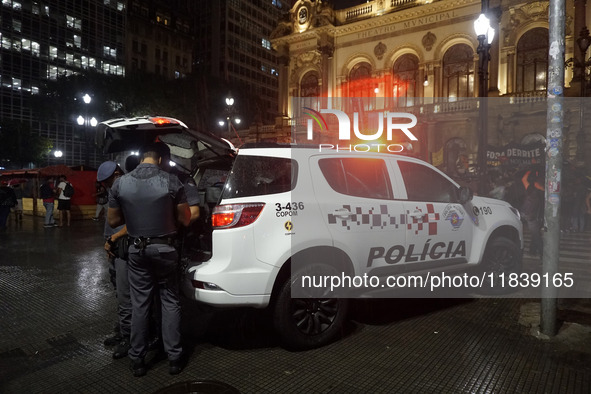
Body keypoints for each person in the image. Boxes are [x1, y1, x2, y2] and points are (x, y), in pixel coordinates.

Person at [108, 142, 190, 377]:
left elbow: (113, 221)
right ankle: (174, 358)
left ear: (142, 157)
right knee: (170, 301)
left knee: (140, 304)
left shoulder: (120, 183)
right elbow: (184, 219)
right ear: (162, 159)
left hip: (137, 251)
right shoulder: (172, 181)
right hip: (166, 250)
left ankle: (138, 360)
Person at [97, 161, 132, 360]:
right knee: (120, 294)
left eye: (107, 181)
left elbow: (134, 222)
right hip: (114, 250)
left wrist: (114, 239)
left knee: (126, 296)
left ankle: (129, 338)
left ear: (117, 174)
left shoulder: (126, 192)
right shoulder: (115, 191)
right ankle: (122, 331)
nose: (105, 186)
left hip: (124, 249)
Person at [521, 170, 544, 258]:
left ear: (536, 184)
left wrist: (529, 170)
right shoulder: (545, 193)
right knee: (535, 233)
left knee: (537, 236)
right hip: (540, 217)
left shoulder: (532, 191)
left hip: (532, 217)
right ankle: (532, 250)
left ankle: (542, 255)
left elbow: (524, 179)